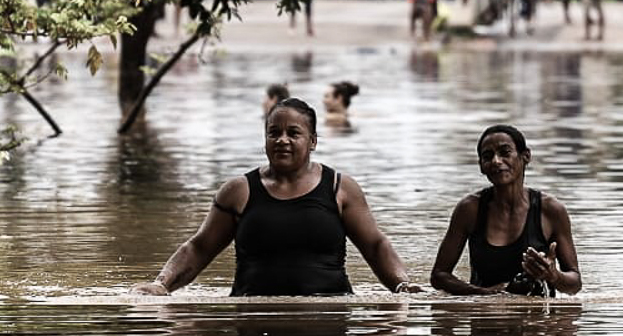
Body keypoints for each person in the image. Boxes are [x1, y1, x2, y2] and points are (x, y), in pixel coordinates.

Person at [136, 97, 417, 296]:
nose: (282, 140)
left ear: (313, 141)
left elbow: (375, 245)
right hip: (252, 317)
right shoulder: (238, 191)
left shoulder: (340, 188)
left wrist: (403, 286)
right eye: (274, 133)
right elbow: (199, 248)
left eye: (293, 133)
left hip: (329, 318)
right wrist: (162, 284)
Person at [428, 125, 582, 297]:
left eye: (505, 152)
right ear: (481, 166)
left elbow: (575, 284)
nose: (496, 161)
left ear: (525, 157)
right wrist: (485, 294)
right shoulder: (469, 209)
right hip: (485, 317)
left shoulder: (551, 210)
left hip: (538, 320)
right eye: (488, 156)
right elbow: (439, 275)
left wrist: (553, 275)